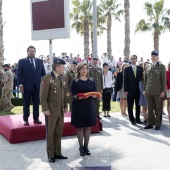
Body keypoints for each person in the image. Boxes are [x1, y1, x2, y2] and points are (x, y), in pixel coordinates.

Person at [40, 58, 68, 163]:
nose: (63, 68)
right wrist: (45, 109)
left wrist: (65, 106)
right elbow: (42, 96)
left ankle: (58, 153)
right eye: (62, 66)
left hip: (60, 110)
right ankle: (51, 154)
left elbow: (64, 94)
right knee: (50, 133)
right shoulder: (47, 78)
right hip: (51, 111)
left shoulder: (61, 77)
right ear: (57, 67)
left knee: (58, 132)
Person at [71, 62, 97, 156]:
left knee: (88, 127)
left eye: (86, 68)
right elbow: (73, 94)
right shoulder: (75, 81)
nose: (85, 70)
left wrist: (94, 96)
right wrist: (79, 97)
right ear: (79, 70)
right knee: (80, 127)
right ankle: (81, 147)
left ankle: (86, 147)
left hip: (89, 106)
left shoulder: (91, 80)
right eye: (82, 68)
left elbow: (94, 92)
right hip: (79, 106)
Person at [17, 45, 46, 125]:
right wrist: (20, 85)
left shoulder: (40, 61)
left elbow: (43, 74)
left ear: (35, 52)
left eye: (33, 51)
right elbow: (19, 74)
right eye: (30, 51)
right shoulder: (22, 61)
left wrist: (45, 84)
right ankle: (25, 119)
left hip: (37, 87)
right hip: (26, 87)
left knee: (36, 103)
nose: (31, 53)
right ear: (27, 52)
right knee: (26, 104)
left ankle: (36, 119)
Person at [144, 51, 166, 130]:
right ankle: (150, 123)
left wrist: (163, 91)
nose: (152, 57)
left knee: (158, 108)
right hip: (149, 91)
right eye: (152, 56)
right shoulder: (148, 66)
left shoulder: (161, 66)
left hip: (158, 91)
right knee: (149, 107)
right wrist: (145, 90)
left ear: (157, 57)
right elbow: (146, 80)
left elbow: (163, 80)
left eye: (154, 56)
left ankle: (158, 123)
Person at [124, 55, 143, 125]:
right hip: (129, 91)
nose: (133, 60)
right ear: (130, 60)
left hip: (138, 90)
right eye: (132, 59)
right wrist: (125, 90)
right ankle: (132, 119)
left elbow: (142, 79)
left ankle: (138, 119)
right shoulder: (127, 69)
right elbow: (125, 80)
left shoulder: (140, 68)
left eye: (134, 59)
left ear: (136, 60)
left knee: (138, 105)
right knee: (130, 105)